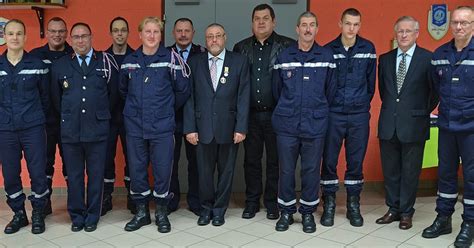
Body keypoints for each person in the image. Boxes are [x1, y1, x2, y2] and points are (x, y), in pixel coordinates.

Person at [119, 16, 190, 233]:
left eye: (156, 32)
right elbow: (123, 91)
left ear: (161, 35)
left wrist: (165, 109)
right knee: (138, 169)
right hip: (135, 126)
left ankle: (161, 212)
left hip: (162, 126)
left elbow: (182, 91)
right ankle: (142, 213)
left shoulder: (172, 58)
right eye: (147, 32)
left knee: (162, 170)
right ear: (139, 35)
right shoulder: (130, 60)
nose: (151, 36)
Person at [50, 22, 119, 232]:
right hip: (71, 130)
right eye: (76, 37)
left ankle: (92, 215)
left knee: (96, 175)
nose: (80, 40)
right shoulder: (60, 65)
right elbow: (56, 99)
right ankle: (77, 215)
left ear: (91, 37)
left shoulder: (105, 62)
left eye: (84, 36)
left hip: (97, 130)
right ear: (71, 40)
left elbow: (113, 95)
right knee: (75, 175)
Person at [272, 11, 336, 233]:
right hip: (287, 125)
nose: (308, 29)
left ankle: (308, 213)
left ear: (317, 29)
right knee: (286, 170)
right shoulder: (284, 56)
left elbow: (331, 90)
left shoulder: (326, 56)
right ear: (297, 29)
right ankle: (287, 212)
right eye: (304, 25)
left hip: (315, 124)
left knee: (310, 171)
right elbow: (276, 90)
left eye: (312, 25)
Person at [184, 23, 250, 227]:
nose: (214, 40)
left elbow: (243, 96)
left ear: (225, 37)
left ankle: (220, 210)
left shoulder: (239, 61)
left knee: (226, 172)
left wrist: (241, 127)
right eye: (210, 36)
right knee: (203, 173)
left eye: (218, 36)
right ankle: (206, 209)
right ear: (205, 40)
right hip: (202, 128)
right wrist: (189, 128)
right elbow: (189, 98)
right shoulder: (194, 62)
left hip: (229, 129)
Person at [233, 3, 294, 220]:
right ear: (252, 23)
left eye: (265, 18)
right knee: (251, 160)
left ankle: (272, 202)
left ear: (274, 21)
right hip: (250, 115)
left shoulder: (287, 46)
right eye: (257, 18)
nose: (261, 22)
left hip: (278, 114)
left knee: (275, 161)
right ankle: (251, 202)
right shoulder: (240, 48)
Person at [377, 16, 437, 230]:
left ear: (416, 33)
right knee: (391, 170)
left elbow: (434, 93)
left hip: (414, 124)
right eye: (400, 31)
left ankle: (406, 212)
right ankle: (393, 209)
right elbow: (385, 93)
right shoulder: (384, 59)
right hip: (388, 124)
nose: (403, 35)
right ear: (396, 33)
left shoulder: (428, 59)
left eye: (408, 31)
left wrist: (419, 112)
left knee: (411, 171)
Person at [422, 6, 474, 248]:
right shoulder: (440, 53)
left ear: (473, 25)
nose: (459, 27)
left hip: (471, 129)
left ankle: (470, 223)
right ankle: (443, 218)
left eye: (464, 22)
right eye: (456, 22)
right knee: (445, 175)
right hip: (447, 126)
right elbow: (434, 88)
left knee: (472, 178)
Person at [320, 8, 376, 227]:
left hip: (358, 115)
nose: (351, 28)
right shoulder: (327, 50)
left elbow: (371, 85)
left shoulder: (368, 49)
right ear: (340, 24)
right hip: (333, 114)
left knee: (355, 161)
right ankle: (329, 203)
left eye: (356, 24)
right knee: (329, 160)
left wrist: (360, 102)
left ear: (359, 26)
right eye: (348, 24)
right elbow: (323, 85)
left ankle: (354, 204)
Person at [0, 19, 50, 235]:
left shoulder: (37, 64)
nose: (15, 37)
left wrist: (37, 119)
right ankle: (19, 213)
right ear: (5, 37)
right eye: (11, 33)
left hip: (33, 128)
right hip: (5, 129)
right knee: (10, 174)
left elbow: (46, 98)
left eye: (19, 33)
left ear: (25, 37)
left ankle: (38, 212)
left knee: (38, 172)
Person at [29, 17, 73, 216]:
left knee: (72, 162)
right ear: (47, 33)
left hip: (70, 120)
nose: (57, 35)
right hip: (43, 121)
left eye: (61, 31)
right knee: (44, 163)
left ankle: (75, 201)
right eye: (53, 31)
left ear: (66, 33)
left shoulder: (74, 55)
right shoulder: (35, 56)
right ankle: (43, 204)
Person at [166, 17, 205, 216]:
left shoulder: (203, 54)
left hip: (196, 119)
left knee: (196, 162)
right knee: (170, 161)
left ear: (193, 33)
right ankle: (171, 200)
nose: (183, 34)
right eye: (179, 30)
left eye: (186, 31)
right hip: (171, 117)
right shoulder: (165, 54)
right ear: (173, 33)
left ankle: (196, 201)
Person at [102, 16, 135, 216]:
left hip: (131, 118)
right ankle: (106, 197)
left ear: (128, 32)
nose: (120, 33)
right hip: (107, 118)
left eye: (123, 30)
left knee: (133, 158)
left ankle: (133, 196)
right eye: (116, 30)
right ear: (111, 33)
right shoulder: (103, 58)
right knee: (106, 158)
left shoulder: (136, 57)